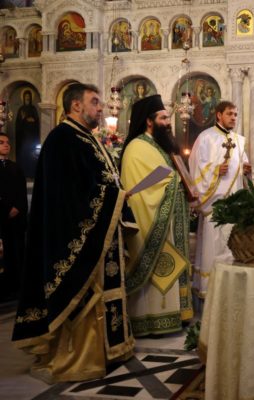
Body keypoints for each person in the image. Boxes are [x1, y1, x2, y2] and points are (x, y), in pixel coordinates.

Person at [12, 83, 134, 383]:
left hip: (101, 230)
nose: (101, 108)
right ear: (76, 105)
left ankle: (109, 349)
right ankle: (81, 357)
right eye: (95, 102)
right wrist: (114, 197)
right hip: (77, 234)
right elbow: (67, 196)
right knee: (84, 293)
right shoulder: (62, 139)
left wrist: (116, 196)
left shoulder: (86, 138)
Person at [120, 94, 193, 337]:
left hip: (170, 220)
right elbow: (139, 190)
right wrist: (175, 183)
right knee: (158, 271)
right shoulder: (137, 147)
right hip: (153, 221)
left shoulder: (158, 145)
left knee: (172, 266)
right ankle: (150, 320)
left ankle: (177, 314)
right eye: (163, 118)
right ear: (149, 121)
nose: (167, 123)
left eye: (167, 118)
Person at [188, 100, 251, 298]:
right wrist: (215, 171)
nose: (233, 118)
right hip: (213, 204)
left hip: (234, 204)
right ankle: (210, 288)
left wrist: (245, 169)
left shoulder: (239, 140)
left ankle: (231, 288)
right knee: (213, 246)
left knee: (232, 244)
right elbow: (195, 165)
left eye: (235, 114)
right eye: (229, 114)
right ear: (219, 115)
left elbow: (242, 164)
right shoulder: (205, 138)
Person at [0, 133, 27, 302]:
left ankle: (17, 288)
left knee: (16, 253)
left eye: (8, 142)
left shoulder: (16, 168)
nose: (6, 145)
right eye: (1, 142)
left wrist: (17, 208)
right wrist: (5, 210)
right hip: (1, 219)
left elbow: (21, 192)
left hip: (15, 220)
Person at [15, 89, 40, 178]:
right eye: (26, 97)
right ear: (23, 97)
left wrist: (32, 120)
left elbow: (37, 121)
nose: (27, 98)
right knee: (24, 154)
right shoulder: (21, 109)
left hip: (32, 137)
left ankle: (32, 173)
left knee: (32, 155)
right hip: (23, 137)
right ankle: (23, 173)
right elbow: (18, 123)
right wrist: (24, 119)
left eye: (29, 96)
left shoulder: (33, 109)